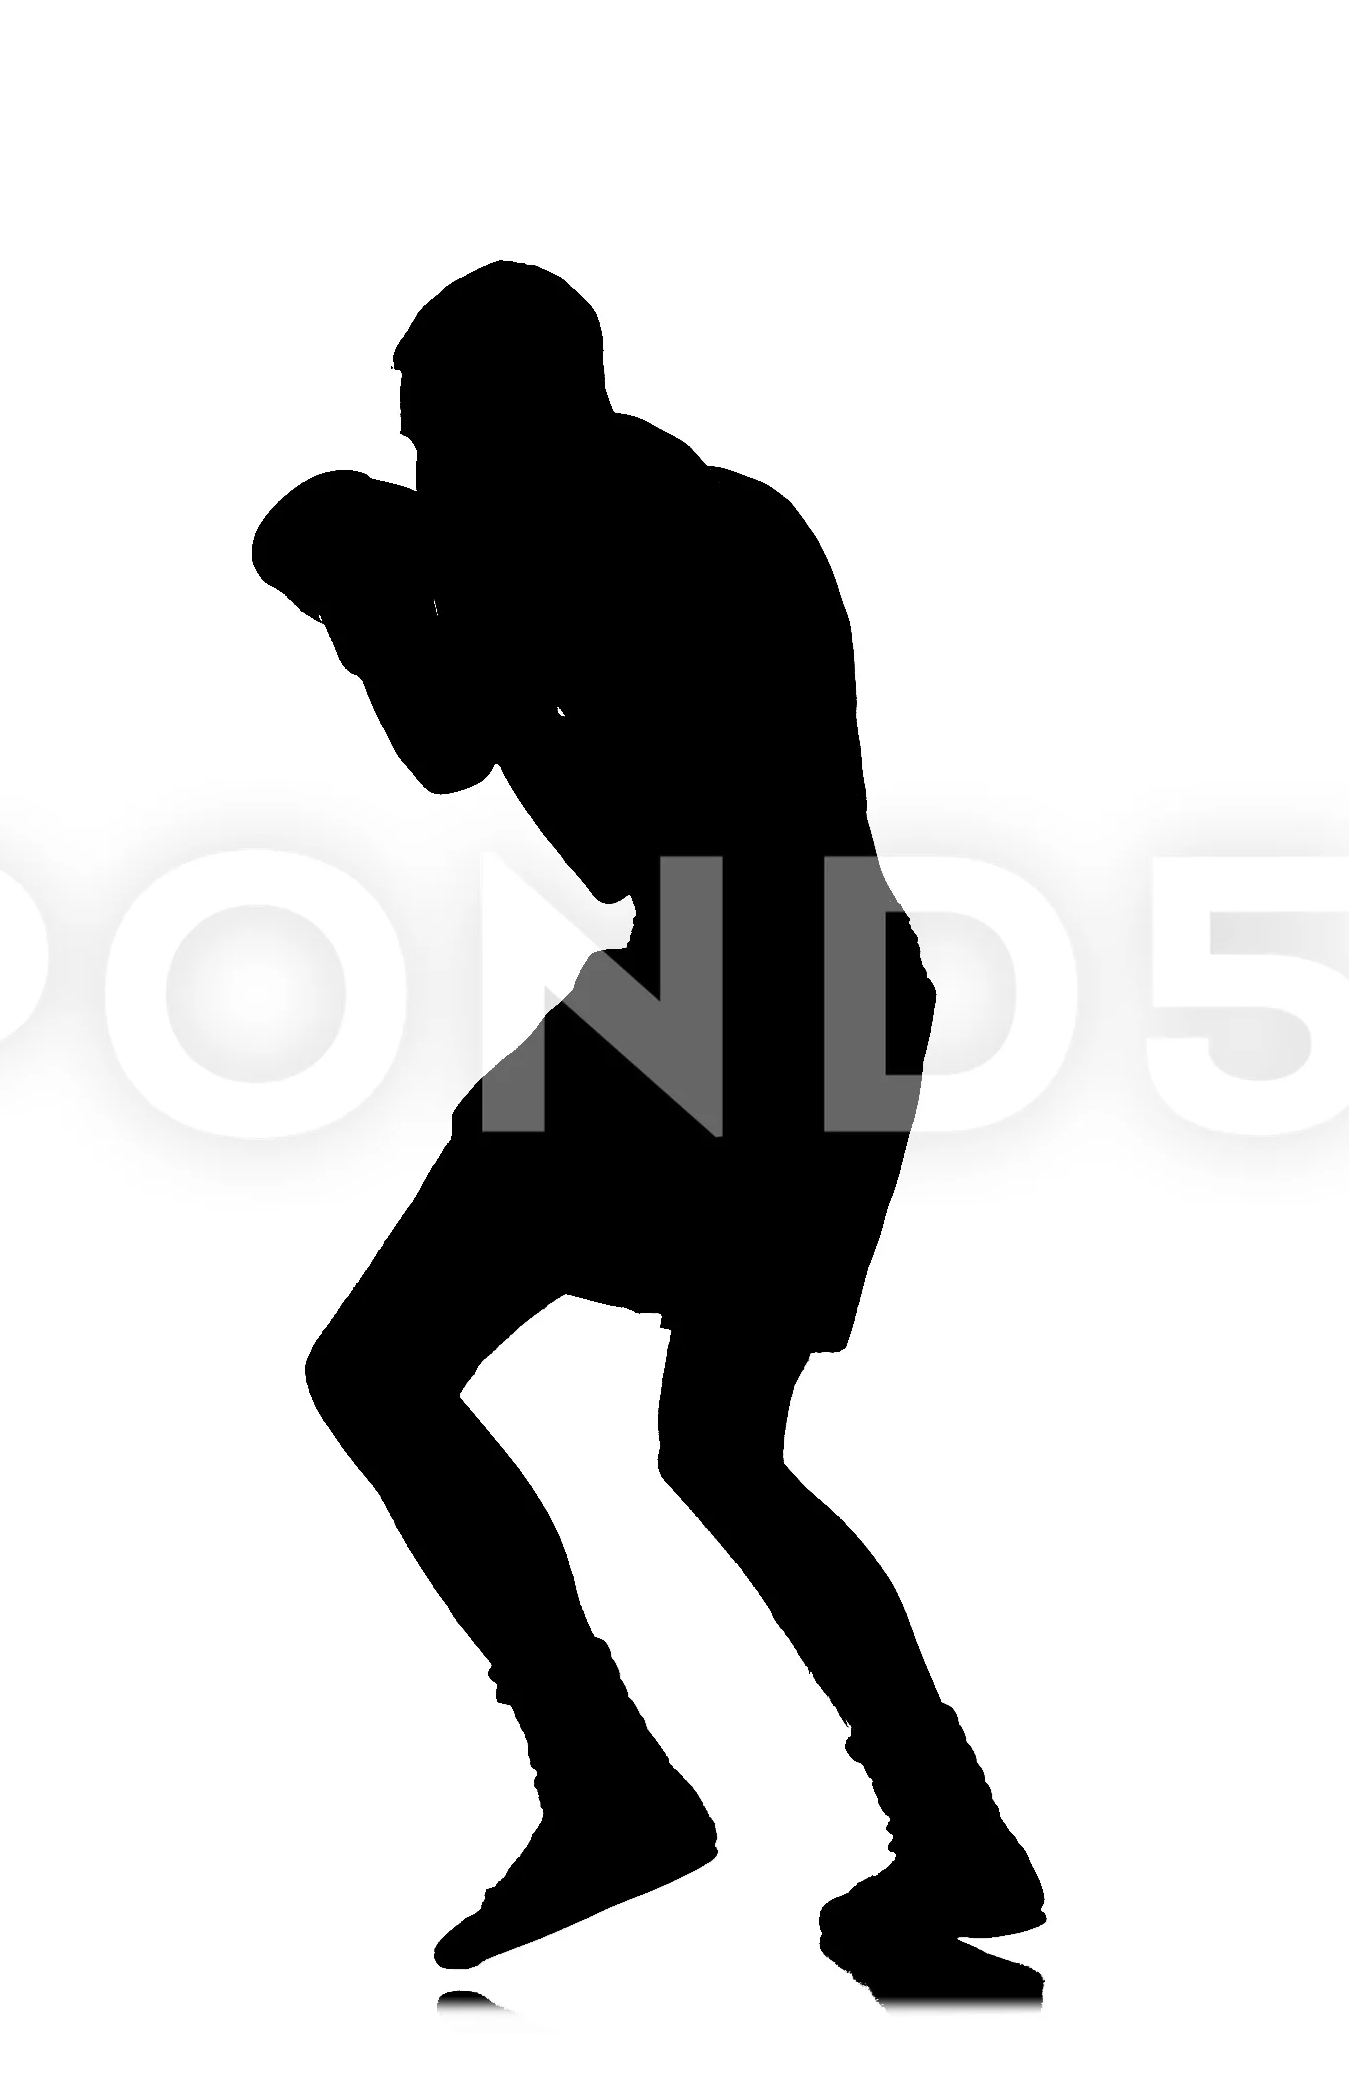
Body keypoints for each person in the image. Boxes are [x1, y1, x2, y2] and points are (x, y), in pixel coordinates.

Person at [254, 264, 1040, 1975]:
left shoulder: (611, 535)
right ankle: (953, 1834)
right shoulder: (697, 514)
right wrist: (414, 607)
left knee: (378, 1371)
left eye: (435, 443)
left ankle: (606, 1780)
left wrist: (381, 607)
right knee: (724, 1453)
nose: (423, 479)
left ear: (517, 410)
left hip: (732, 986)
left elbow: (493, 771)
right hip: (844, 987)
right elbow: (547, 785)